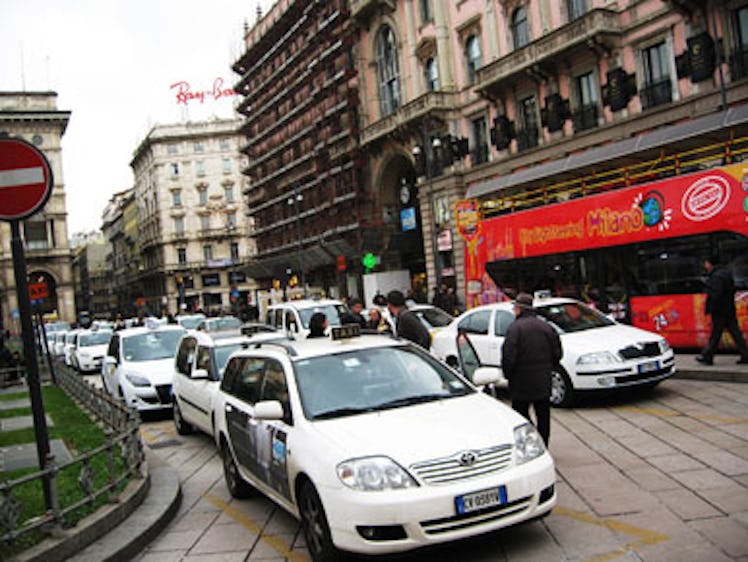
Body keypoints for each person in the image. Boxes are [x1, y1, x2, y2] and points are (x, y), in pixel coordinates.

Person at [501, 292, 563, 446]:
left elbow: (509, 357)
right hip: (543, 380)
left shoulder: (515, 329)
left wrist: (509, 376)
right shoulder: (546, 327)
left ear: (520, 309)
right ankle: (544, 445)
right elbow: (557, 353)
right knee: (543, 415)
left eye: (515, 308)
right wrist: (547, 368)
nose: (514, 311)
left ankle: (531, 443)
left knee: (520, 415)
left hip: (521, 382)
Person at [696, 256, 748, 365]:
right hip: (729, 308)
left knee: (716, 334)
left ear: (710, 264)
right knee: (735, 333)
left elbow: (716, 294)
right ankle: (745, 354)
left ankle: (707, 356)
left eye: (706, 263)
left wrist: (711, 308)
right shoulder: (726, 273)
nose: (705, 265)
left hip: (720, 310)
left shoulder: (716, 276)